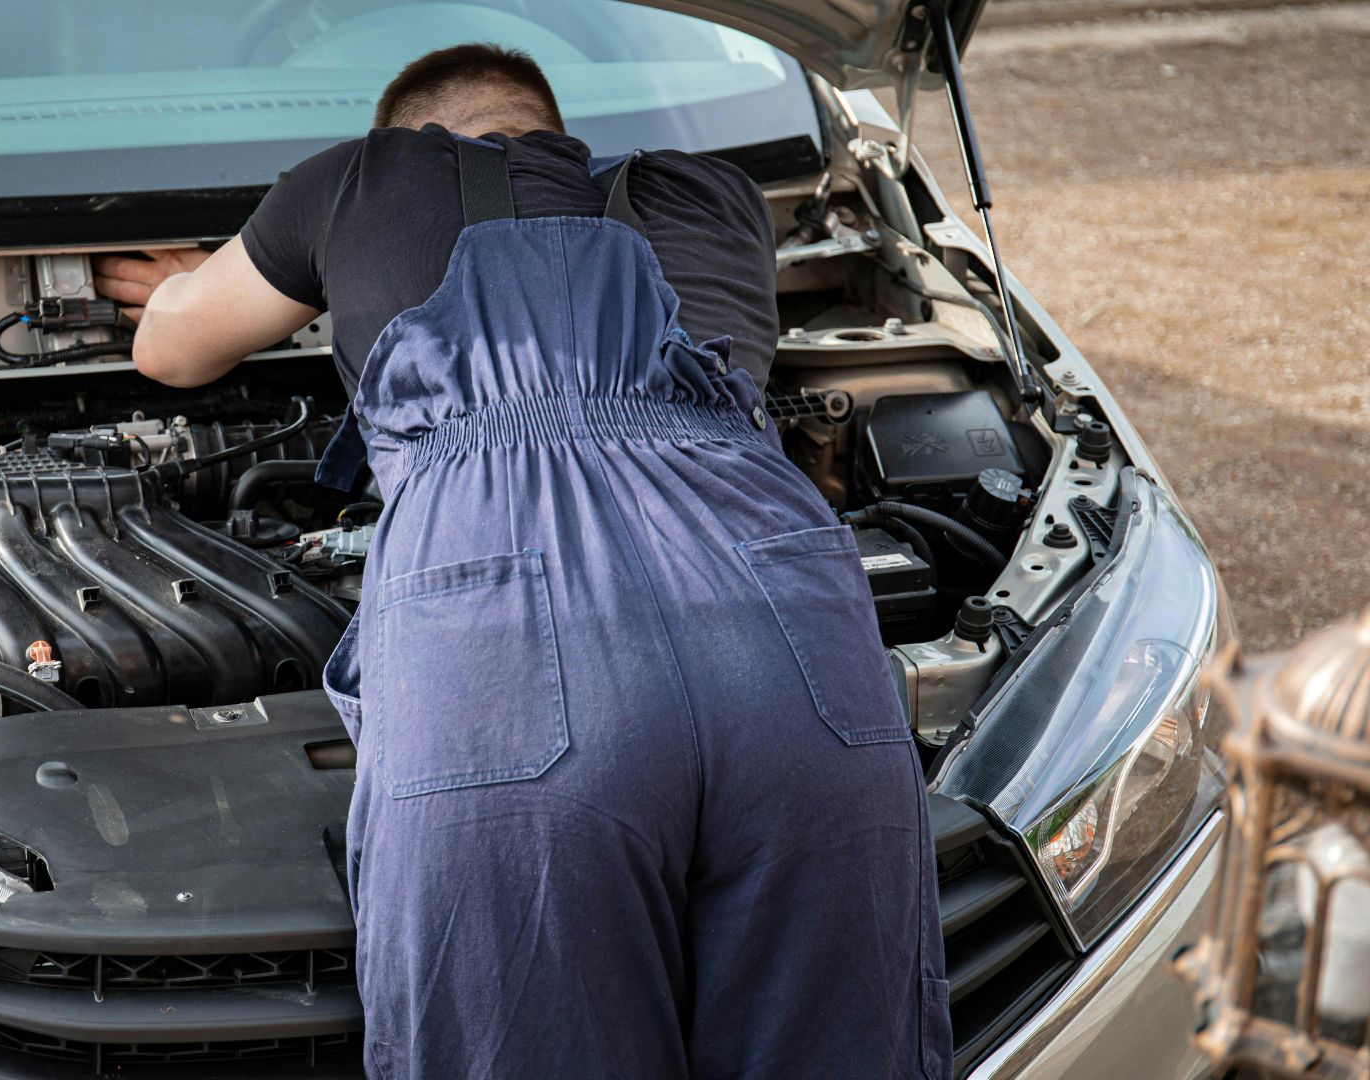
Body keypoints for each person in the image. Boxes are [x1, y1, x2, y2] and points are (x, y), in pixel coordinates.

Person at [92, 43, 950, 1080]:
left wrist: (206, 276)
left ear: (412, 137)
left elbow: (171, 350)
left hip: (506, 623)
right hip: (782, 620)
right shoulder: (717, 195)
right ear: (552, 128)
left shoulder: (358, 177)